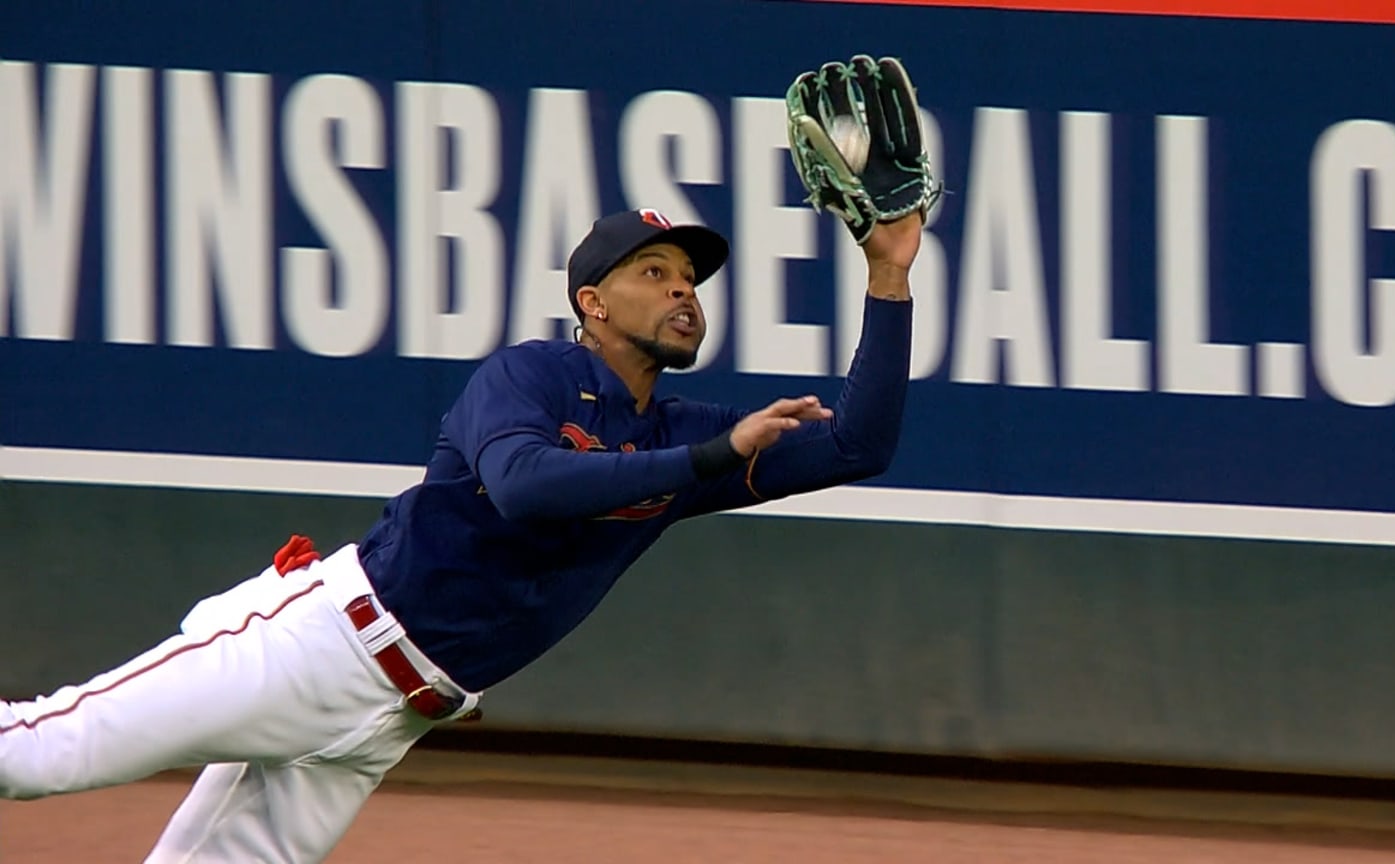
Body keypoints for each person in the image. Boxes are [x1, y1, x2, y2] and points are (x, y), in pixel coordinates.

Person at [0, 205, 923, 862]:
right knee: (40, 750)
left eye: (689, 280)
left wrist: (889, 272)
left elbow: (858, 443)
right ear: (593, 303)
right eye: (655, 274)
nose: (683, 292)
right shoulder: (531, 376)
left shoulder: (679, 436)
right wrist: (713, 457)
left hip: (385, 723)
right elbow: (524, 485)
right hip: (316, 644)